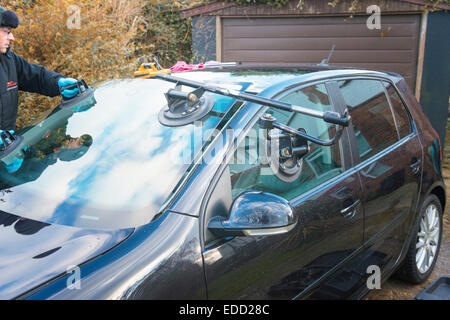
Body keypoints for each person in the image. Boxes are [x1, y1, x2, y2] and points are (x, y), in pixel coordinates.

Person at [0, 6, 79, 132]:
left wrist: (58, 82)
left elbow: (37, 77)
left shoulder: (8, 60)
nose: (11, 37)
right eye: (6, 31)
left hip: (8, 149)